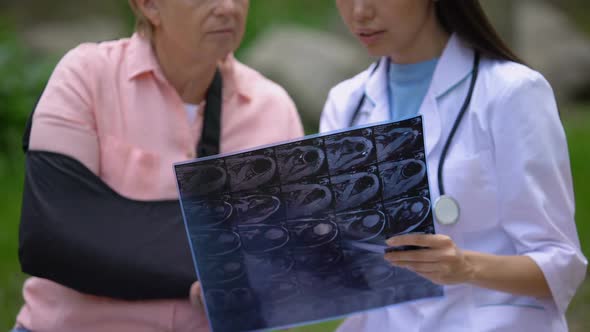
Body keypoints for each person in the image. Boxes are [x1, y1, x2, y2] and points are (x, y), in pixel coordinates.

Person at [14, 0, 303, 331]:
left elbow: (287, 254)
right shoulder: (86, 76)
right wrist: (207, 264)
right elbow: (54, 236)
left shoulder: (272, 109)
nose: (228, 7)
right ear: (149, 6)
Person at [318, 0, 587, 331]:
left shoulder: (511, 93)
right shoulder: (345, 103)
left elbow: (561, 264)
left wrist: (466, 267)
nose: (360, 12)